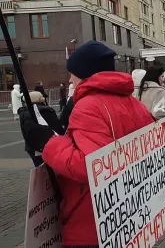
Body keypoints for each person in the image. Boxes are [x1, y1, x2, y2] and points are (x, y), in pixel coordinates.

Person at [21, 40, 154, 247]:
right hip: (129, 212)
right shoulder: (136, 104)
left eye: (72, 73)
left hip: (92, 217)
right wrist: (62, 135)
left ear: (85, 73)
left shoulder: (88, 106)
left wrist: (48, 142)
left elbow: (91, 166)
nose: (70, 79)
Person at [18, 91, 64, 167]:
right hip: (48, 145)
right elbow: (57, 128)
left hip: (31, 147)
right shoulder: (47, 111)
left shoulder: (23, 113)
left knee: (39, 168)